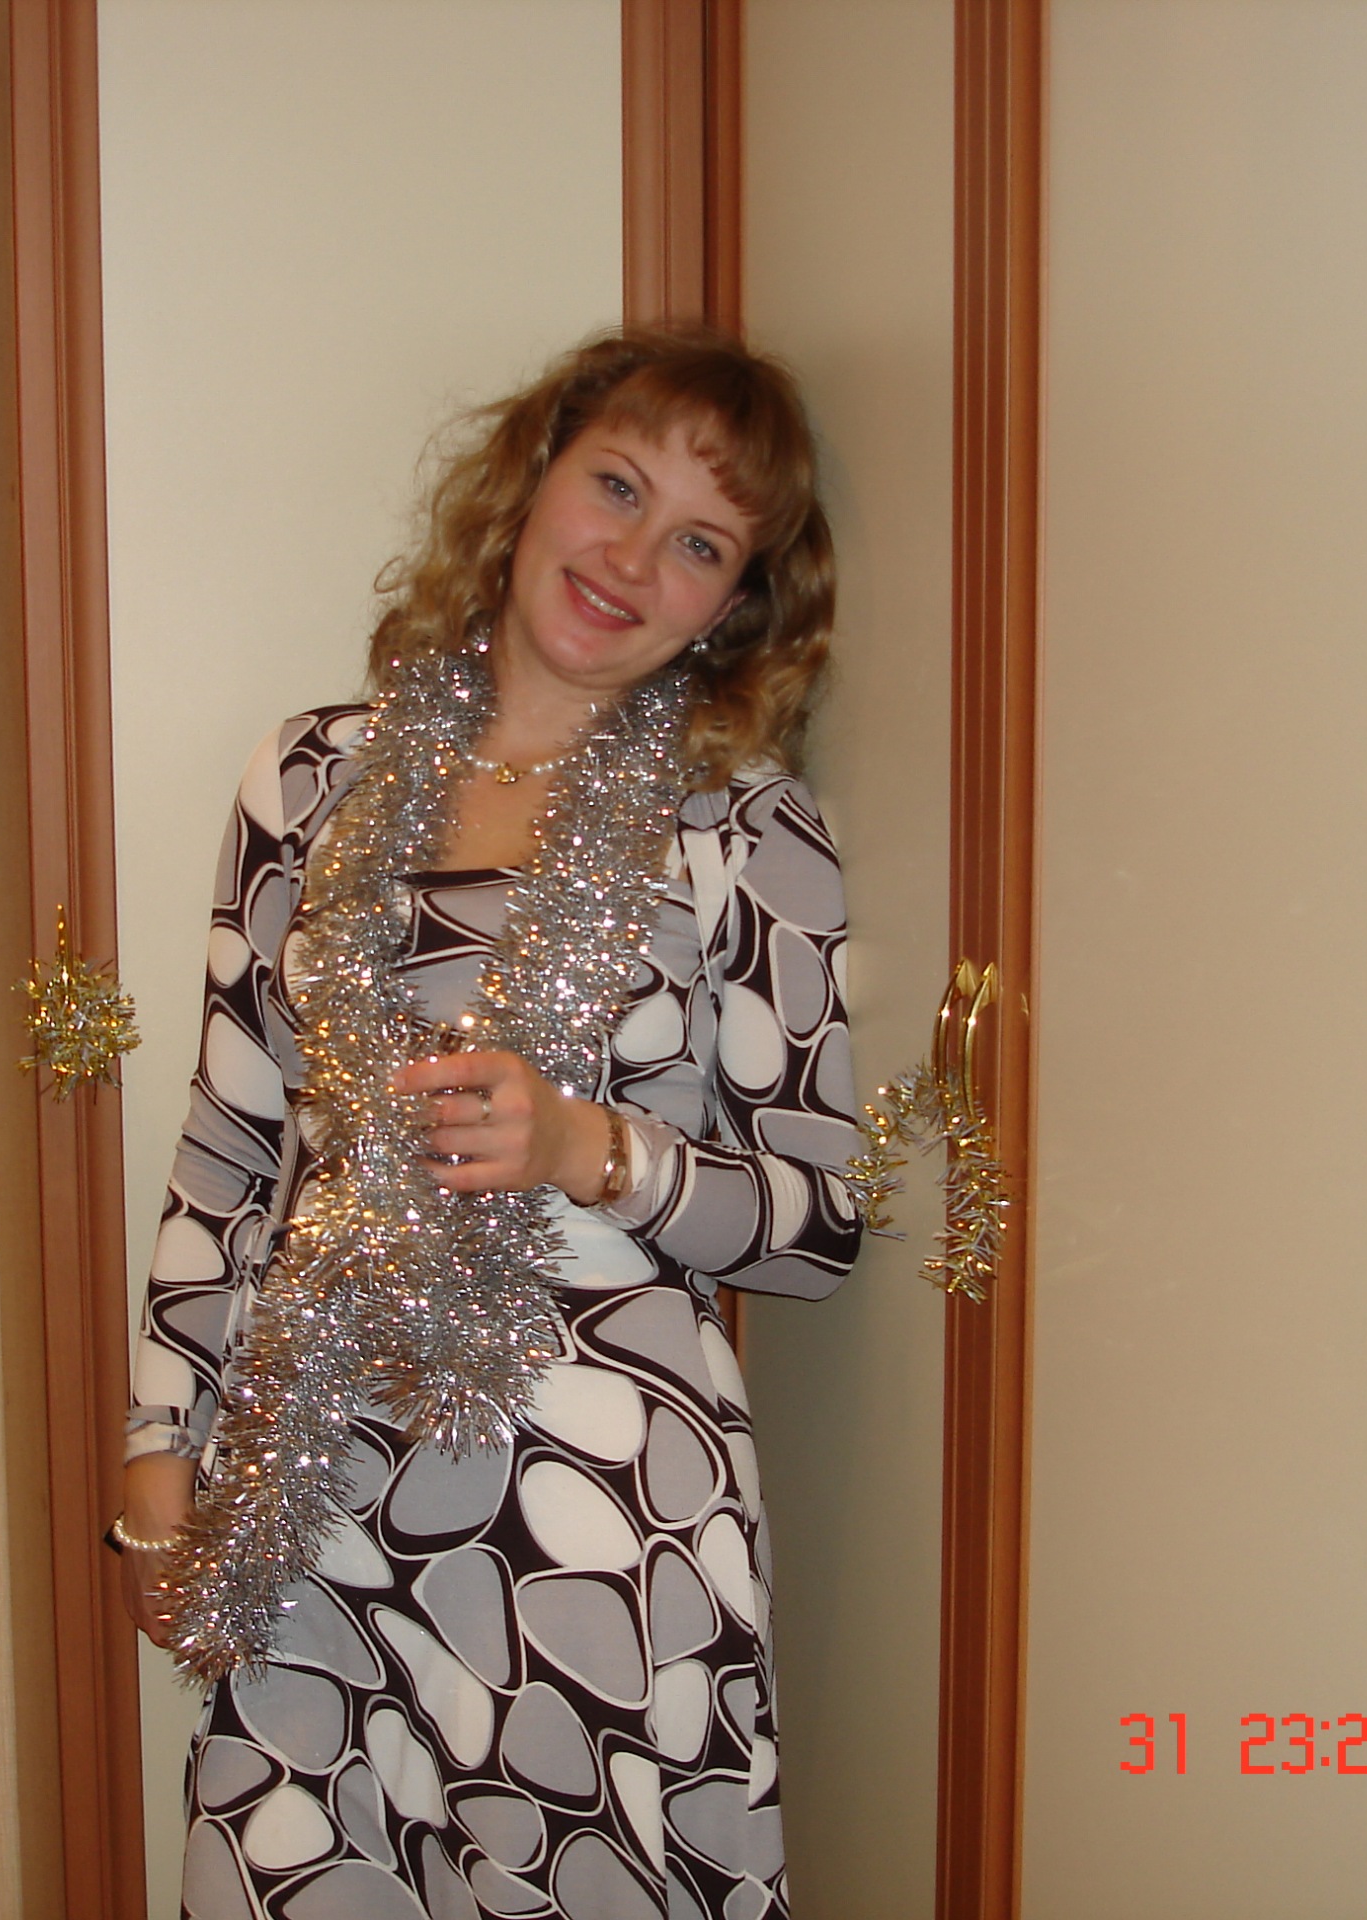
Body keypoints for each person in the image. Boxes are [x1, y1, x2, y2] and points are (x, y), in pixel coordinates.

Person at [120, 326, 863, 1920]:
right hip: (312, 1501)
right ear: (533, 479)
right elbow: (231, 1148)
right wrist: (156, 1449)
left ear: (733, 606)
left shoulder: (748, 829)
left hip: (598, 1530)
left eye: (701, 544)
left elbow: (819, 1225)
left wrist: (593, 1150)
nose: (632, 560)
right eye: (618, 486)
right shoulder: (309, 777)